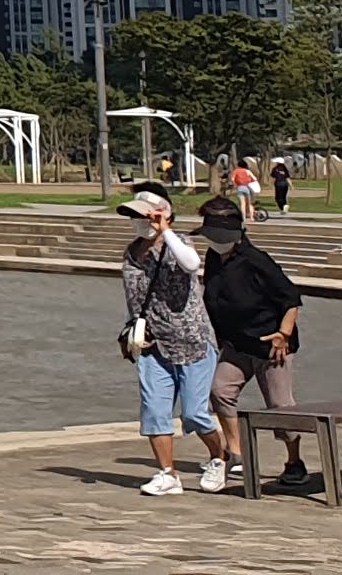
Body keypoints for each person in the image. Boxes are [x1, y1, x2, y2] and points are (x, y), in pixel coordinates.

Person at [118, 190, 233, 495]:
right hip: (153, 345)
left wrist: (165, 231)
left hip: (192, 341)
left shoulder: (180, 243)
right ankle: (168, 473)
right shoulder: (132, 252)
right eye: (134, 216)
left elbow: (191, 264)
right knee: (155, 411)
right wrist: (130, 332)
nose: (139, 221)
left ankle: (219, 457)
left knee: (195, 413)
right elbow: (134, 297)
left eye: (144, 215)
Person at [197, 196, 310, 490]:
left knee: (280, 405)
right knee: (220, 390)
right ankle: (236, 453)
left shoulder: (256, 260)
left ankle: (295, 462)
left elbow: (291, 298)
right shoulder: (214, 258)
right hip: (237, 344)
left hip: (271, 345)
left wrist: (283, 334)